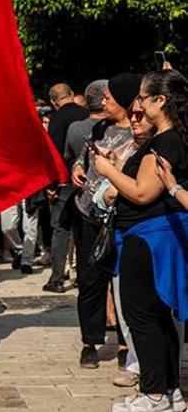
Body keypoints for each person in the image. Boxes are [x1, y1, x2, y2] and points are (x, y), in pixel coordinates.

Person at [93, 70, 188, 412]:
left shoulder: (165, 142)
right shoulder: (166, 139)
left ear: (160, 101)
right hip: (152, 236)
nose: (139, 105)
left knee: (141, 315)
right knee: (157, 315)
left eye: (143, 98)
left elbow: (143, 192)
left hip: (148, 238)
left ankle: (155, 393)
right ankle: (168, 391)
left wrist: (108, 171)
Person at [70, 74, 138, 369]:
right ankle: (90, 341)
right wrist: (77, 169)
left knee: (123, 283)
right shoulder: (98, 128)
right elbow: (83, 158)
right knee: (90, 280)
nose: (103, 102)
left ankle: (125, 343)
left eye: (109, 98)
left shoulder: (139, 132)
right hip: (89, 215)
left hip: (121, 218)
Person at [43, 82, 89, 293]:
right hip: (87, 179)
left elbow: (52, 153)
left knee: (61, 229)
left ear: (54, 102)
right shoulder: (86, 114)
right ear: (71, 94)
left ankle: (57, 279)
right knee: (83, 229)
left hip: (64, 181)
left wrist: (51, 184)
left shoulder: (57, 119)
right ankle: (83, 275)